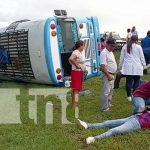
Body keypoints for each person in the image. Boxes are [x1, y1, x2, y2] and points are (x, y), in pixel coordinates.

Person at [77, 111, 150, 144]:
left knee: (114, 130)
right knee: (107, 123)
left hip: (136, 123)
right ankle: (88, 125)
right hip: (134, 117)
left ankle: (94, 138)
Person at [119, 35, 146, 101]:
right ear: (136, 40)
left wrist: (120, 65)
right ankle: (134, 95)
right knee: (137, 81)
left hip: (128, 67)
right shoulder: (138, 47)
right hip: (137, 66)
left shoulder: (125, 47)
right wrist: (144, 65)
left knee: (128, 82)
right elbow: (142, 57)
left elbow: (121, 57)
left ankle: (129, 96)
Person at [100, 38, 117, 111]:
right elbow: (103, 66)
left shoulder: (110, 52)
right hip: (108, 74)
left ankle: (108, 103)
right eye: (111, 46)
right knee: (106, 92)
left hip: (112, 74)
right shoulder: (104, 53)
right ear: (107, 44)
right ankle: (104, 108)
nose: (113, 47)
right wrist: (108, 75)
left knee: (111, 90)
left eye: (114, 46)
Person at [69, 40, 86, 107]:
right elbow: (71, 59)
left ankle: (74, 104)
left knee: (75, 89)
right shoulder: (76, 52)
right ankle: (75, 105)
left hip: (77, 72)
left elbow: (70, 60)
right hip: (76, 72)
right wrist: (76, 65)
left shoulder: (78, 52)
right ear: (80, 45)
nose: (84, 47)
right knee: (76, 89)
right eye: (83, 45)